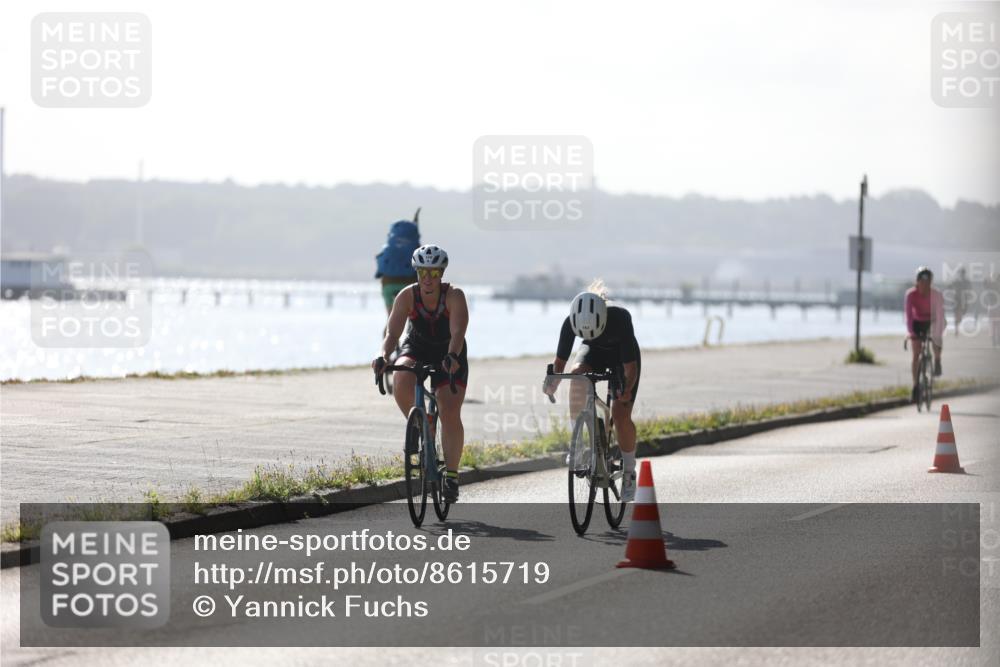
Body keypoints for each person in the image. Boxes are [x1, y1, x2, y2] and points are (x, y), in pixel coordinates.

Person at [373, 244, 469, 502]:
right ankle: (421, 421)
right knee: (402, 375)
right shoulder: (407, 296)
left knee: (449, 410)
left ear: (441, 273)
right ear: (416, 272)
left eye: (434, 273)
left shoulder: (454, 296)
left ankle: (451, 475)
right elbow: (392, 334)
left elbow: (458, 332)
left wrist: (451, 357)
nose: (427, 279)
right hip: (417, 345)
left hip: (449, 351)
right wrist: (384, 357)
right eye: (422, 272)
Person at [542, 282, 641, 502]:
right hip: (592, 352)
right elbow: (560, 362)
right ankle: (576, 443)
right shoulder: (570, 322)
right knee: (577, 375)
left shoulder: (620, 318)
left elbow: (630, 369)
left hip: (621, 357)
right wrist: (553, 383)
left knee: (620, 415)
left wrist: (625, 390)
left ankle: (629, 471)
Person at [904, 266, 946, 402]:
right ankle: (916, 385)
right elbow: (909, 317)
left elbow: (940, 316)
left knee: (936, 338)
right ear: (917, 282)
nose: (924, 286)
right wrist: (911, 333)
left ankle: (937, 359)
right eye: (921, 282)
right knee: (916, 353)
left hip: (934, 320)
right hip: (917, 322)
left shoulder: (937, 295)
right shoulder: (911, 294)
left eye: (928, 283)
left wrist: (937, 334)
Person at [375, 209, 421, 314]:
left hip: (388, 284)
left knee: (391, 319)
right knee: (412, 320)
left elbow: (379, 259)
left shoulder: (390, 245)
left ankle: (388, 329)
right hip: (409, 284)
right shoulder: (416, 247)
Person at [951, 266, 973, 336]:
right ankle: (956, 329)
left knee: (960, 315)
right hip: (956, 299)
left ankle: (957, 325)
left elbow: (970, 289)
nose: (962, 274)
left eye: (962, 273)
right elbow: (951, 286)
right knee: (956, 315)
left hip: (963, 299)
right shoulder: (957, 280)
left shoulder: (966, 281)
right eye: (961, 273)